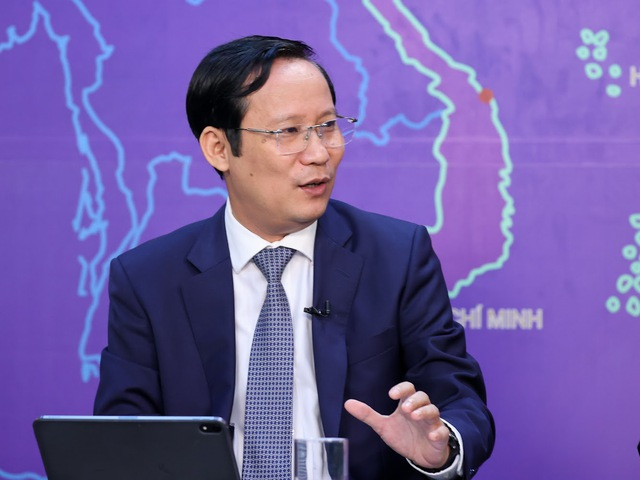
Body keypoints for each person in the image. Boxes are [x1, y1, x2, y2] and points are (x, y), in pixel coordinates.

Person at [94, 35, 495, 479]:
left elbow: (459, 399)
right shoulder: (148, 279)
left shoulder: (398, 256)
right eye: (288, 132)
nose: (319, 153)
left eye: (327, 126)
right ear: (219, 148)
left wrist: (441, 447)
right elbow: (121, 441)